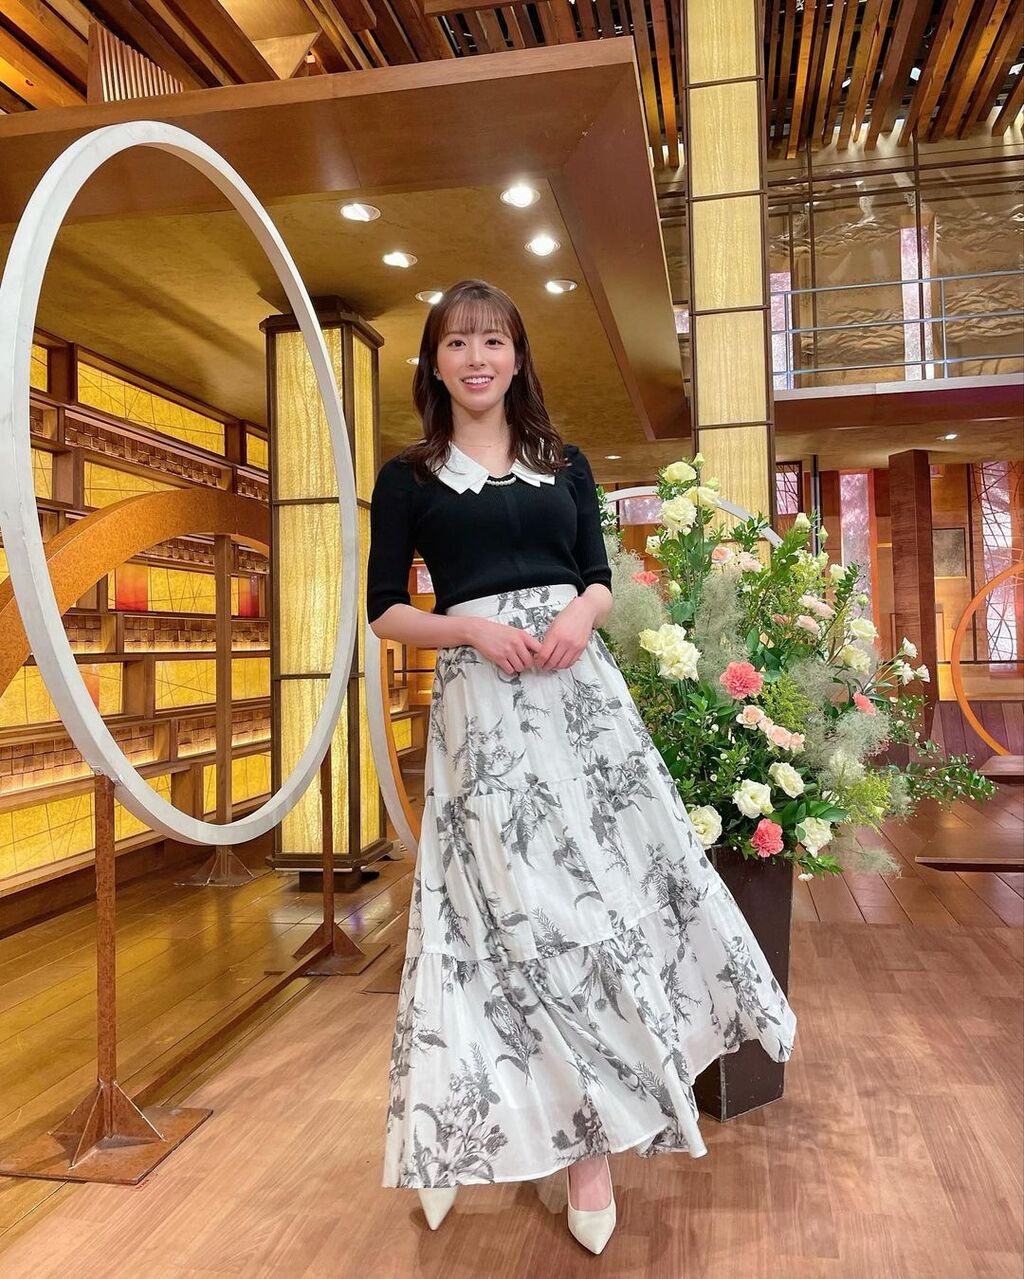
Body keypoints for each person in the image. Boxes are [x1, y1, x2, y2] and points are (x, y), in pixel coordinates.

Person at [366, 279, 796, 1254]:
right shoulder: (410, 476)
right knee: (494, 914)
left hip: (579, 699)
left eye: (493, 341)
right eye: (457, 343)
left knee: (598, 897)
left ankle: (589, 1147)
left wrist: (576, 613)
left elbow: (598, 576)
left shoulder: (564, 462)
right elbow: (385, 608)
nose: (476, 357)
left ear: (517, 357)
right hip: (483, 709)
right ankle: (463, 1129)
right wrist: (470, 629)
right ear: (435, 363)